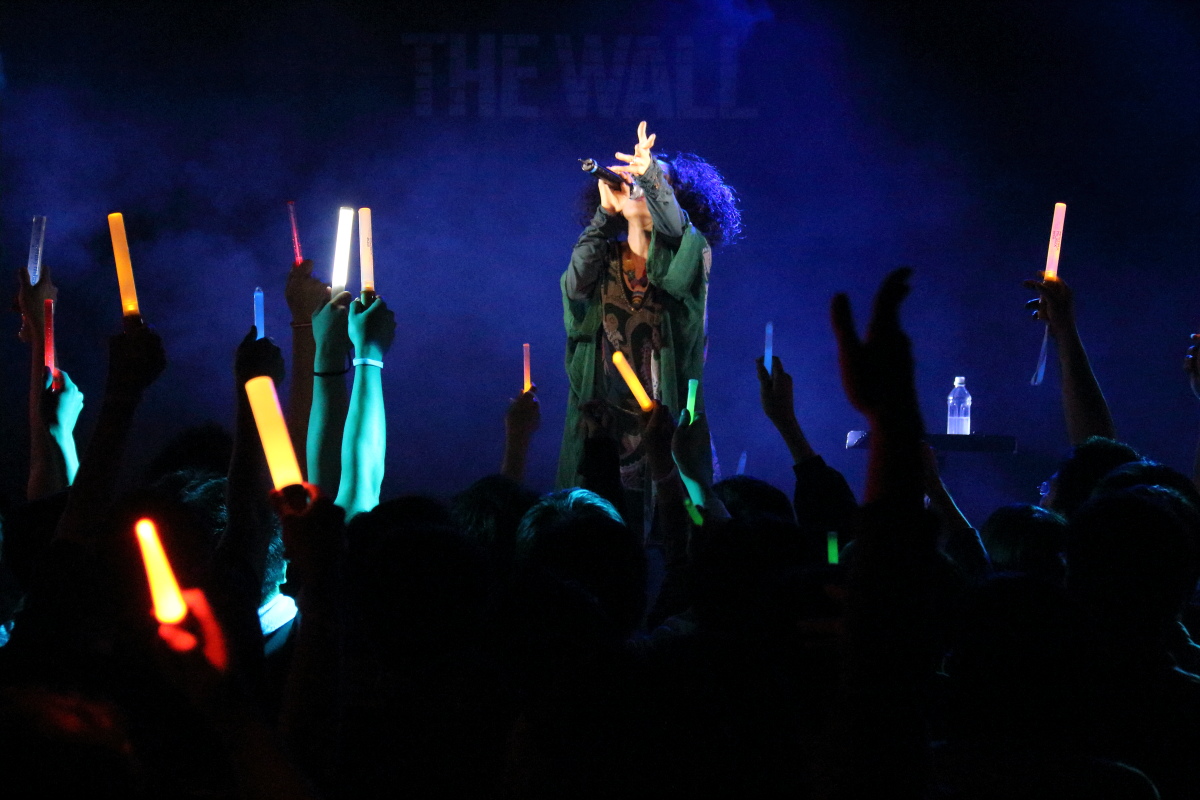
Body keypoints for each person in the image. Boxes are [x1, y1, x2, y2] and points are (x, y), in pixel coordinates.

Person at [557, 121, 741, 533]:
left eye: (654, 181)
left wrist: (653, 174)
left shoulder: (691, 254)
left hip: (667, 428)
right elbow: (574, 286)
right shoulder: (600, 255)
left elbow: (676, 237)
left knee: (678, 533)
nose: (637, 183)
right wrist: (605, 215)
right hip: (607, 431)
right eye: (634, 178)